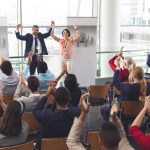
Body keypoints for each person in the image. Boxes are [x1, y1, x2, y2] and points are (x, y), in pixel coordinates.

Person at [67, 94, 134, 150]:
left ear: (100, 142)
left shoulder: (123, 142)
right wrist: (114, 117)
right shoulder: (126, 147)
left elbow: (72, 142)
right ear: (119, 139)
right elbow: (123, 135)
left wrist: (83, 113)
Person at [33, 84, 81, 150]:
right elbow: (72, 108)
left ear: (55, 99)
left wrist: (46, 95)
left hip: (47, 147)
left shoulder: (46, 115)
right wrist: (63, 97)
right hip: (68, 147)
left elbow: (36, 110)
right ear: (69, 99)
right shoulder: (77, 113)